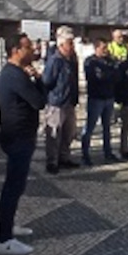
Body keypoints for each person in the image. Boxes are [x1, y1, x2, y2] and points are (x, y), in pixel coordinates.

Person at [0, 34, 46, 255]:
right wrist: (39, 81)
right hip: (18, 135)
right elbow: (39, 101)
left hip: (18, 134)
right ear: (16, 50)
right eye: (28, 47)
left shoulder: (14, 73)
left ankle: (10, 225)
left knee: (17, 185)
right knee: (13, 185)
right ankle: (4, 239)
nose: (33, 50)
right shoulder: (14, 76)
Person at [42, 27, 81, 173]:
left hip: (69, 101)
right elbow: (47, 81)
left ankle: (64, 158)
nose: (72, 47)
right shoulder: (55, 60)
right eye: (70, 43)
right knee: (54, 133)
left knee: (68, 132)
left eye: (72, 43)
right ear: (61, 45)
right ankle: (52, 161)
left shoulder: (71, 60)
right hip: (57, 102)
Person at [81, 38, 120, 166]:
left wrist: (110, 71)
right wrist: (109, 73)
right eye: (103, 48)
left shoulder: (110, 61)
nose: (105, 50)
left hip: (109, 97)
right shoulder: (90, 62)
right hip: (96, 98)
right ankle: (85, 153)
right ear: (96, 48)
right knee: (90, 126)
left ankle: (108, 152)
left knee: (107, 127)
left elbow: (117, 76)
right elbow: (96, 78)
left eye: (106, 48)